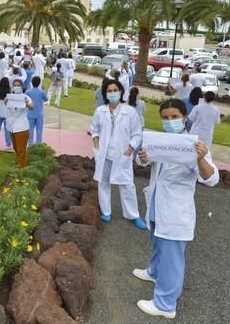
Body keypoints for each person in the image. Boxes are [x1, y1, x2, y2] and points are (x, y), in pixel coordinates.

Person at [134, 98, 219, 319]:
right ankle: (154, 272)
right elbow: (145, 163)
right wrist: (143, 158)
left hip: (175, 211)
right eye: (165, 117)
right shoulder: (159, 140)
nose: (170, 121)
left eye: (174, 117)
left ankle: (165, 304)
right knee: (157, 243)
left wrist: (200, 159)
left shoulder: (195, 145)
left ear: (184, 117)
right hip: (156, 205)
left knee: (172, 257)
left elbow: (212, 179)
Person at [90, 78, 146, 229]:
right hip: (104, 154)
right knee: (103, 182)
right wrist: (96, 147)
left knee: (127, 184)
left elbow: (137, 134)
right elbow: (94, 129)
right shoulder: (100, 111)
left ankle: (133, 215)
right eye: (109, 91)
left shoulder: (130, 112)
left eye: (115, 90)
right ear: (105, 94)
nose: (113, 93)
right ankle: (106, 212)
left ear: (121, 92)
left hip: (122, 155)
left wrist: (130, 149)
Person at [2, 78, 34, 167]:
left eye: (18, 85)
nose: (16, 87)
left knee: (21, 150)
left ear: (21, 86)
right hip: (12, 127)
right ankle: (19, 164)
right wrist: (5, 102)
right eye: (15, 85)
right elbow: (8, 108)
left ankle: (22, 169)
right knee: (16, 148)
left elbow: (32, 107)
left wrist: (27, 104)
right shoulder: (9, 97)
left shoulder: (26, 97)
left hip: (22, 127)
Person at [26, 76, 48, 145]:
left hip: (30, 114)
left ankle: (30, 144)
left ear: (32, 83)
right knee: (39, 130)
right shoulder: (41, 92)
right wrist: (43, 90)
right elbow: (46, 99)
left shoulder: (28, 92)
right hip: (39, 114)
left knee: (30, 130)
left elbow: (25, 99)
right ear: (39, 83)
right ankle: (39, 144)